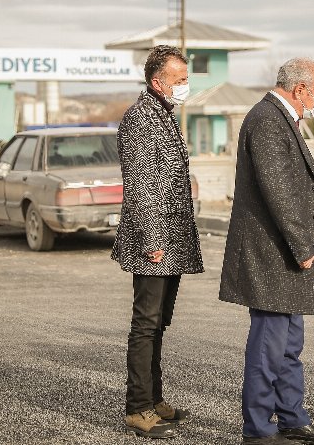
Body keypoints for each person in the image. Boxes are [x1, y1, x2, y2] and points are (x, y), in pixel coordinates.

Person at [219, 57, 314, 445]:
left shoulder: (279, 117)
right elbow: (279, 192)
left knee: (290, 344)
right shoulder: (269, 120)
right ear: (300, 89)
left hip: (282, 254)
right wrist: (302, 244)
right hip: (273, 253)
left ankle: (292, 416)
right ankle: (258, 428)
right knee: (269, 345)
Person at [112, 45, 204, 439]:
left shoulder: (162, 114)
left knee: (159, 323)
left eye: (186, 79)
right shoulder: (140, 119)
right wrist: (152, 238)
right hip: (155, 241)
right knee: (146, 324)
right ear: (156, 81)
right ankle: (138, 408)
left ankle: (153, 399)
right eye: (179, 80)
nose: (185, 86)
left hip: (172, 238)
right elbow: (140, 185)